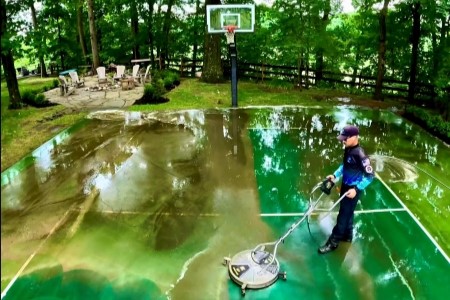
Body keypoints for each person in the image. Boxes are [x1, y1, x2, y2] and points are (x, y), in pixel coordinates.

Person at [318, 125, 374, 254]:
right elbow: (345, 166)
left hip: (352, 190)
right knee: (348, 213)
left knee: (342, 216)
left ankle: (333, 243)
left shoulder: (360, 155)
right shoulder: (349, 149)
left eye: (345, 139)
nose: (343, 141)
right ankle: (347, 236)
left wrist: (356, 189)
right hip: (345, 186)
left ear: (354, 137)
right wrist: (335, 175)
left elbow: (370, 176)